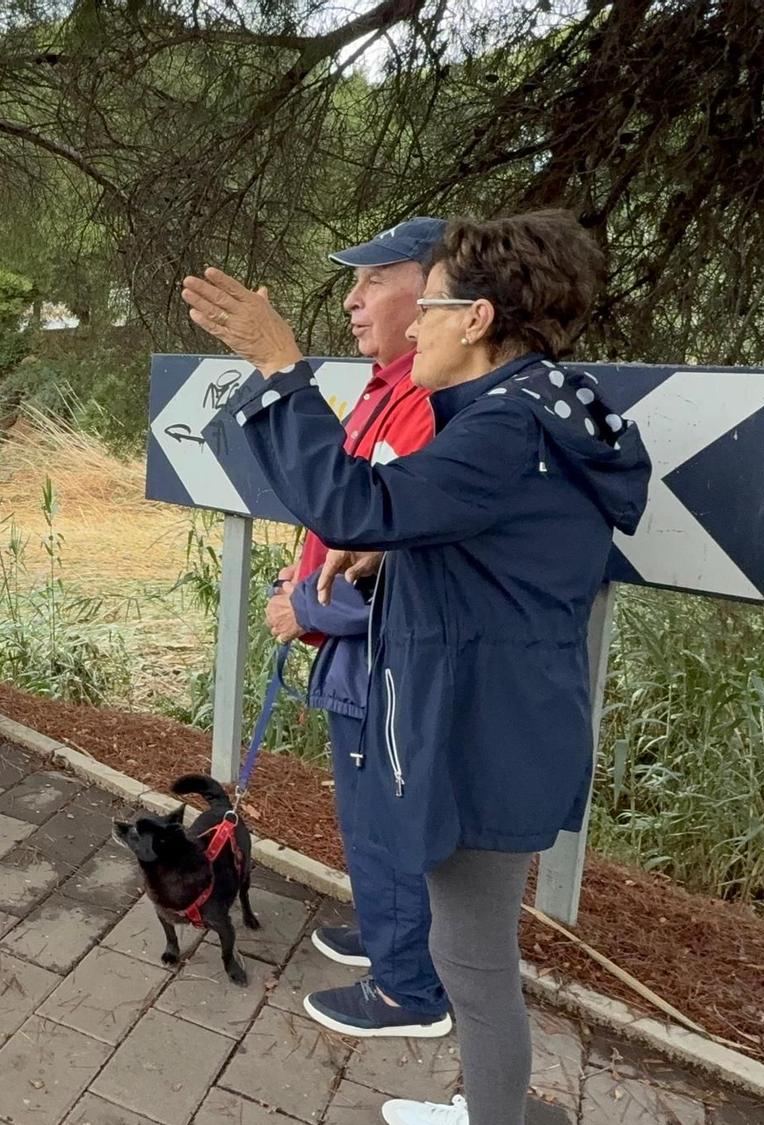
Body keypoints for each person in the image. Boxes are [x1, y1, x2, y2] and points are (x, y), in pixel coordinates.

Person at [186, 211, 650, 1125]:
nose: (416, 327)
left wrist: (281, 366)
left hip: (487, 735)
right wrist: (394, 549)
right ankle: (498, 1109)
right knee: (467, 947)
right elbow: (501, 548)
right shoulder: (538, 409)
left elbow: (354, 501)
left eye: (429, 306)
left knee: (471, 957)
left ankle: (496, 1117)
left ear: (476, 319)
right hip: (507, 720)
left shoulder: (506, 426)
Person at [266, 219, 454, 1040]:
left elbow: (410, 568)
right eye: (356, 280)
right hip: (358, 660)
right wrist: (302, 577)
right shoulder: (388, 391)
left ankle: (410, 987)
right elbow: (345, 525)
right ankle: (387, 934)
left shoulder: (429, 405)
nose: (353, 298)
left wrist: (304, 608)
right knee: (366, 818)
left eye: (375, 279)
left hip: (388, 665)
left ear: (434, 290)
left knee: (388, 821)